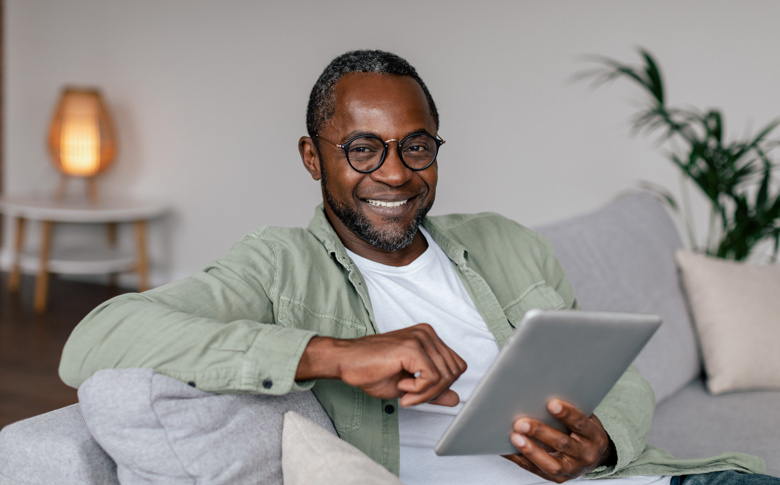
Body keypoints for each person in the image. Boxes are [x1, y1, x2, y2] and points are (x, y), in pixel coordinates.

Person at [60, 50, 774, 484]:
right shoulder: (279, 265)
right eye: (363, 149)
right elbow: (97, 337)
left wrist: (600, 441)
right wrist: (333, 354)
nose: (395, 174)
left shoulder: (504, 241)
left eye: (417, 146)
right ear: (314, 158)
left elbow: (618, 375)